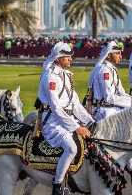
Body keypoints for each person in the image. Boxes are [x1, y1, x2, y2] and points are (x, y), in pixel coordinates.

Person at [88, 41, 132, 186]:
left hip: (115, 108)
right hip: (105, 110)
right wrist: (130, 101)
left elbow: (121, 92)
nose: (120, 56)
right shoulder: (104, 70)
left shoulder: (112, 69)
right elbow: (109, 97)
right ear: (109, 55)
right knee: (126, 130)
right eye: (117, 53)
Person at [37, 42, 94, 195]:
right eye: (66, 56)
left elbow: (76, 104)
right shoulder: (50, 76)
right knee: (71, 148)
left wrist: (90, 122)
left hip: (67, 119)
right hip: (52, 121)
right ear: (57, 58)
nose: (70, 59)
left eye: (70, 56)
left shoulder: (66, 75)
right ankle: (57, 185)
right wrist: (76, 127)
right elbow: (55, 108)